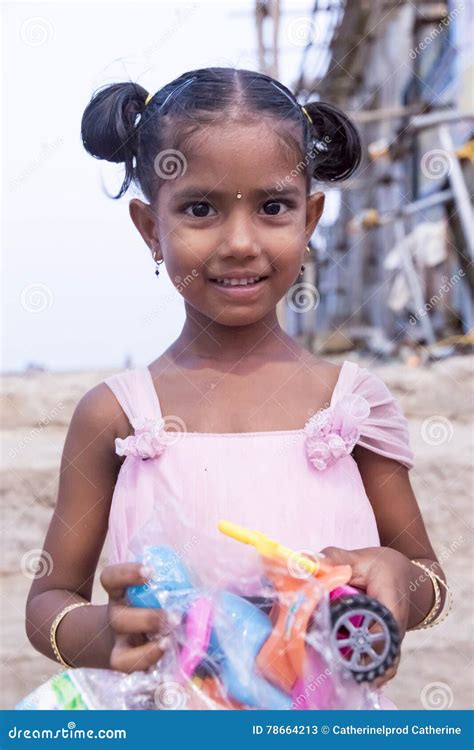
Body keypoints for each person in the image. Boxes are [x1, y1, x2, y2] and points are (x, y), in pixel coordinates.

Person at [25, 68, 450, 708]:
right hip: (169, 719)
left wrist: (396, 579)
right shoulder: (115, 415)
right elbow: (48, 601)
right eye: (200, 209)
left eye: (273, 207)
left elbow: (425, 575)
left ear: (310, 219)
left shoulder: (353, 407)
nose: (240, 242)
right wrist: (102, 634)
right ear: (150, 229)